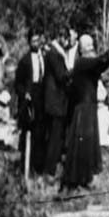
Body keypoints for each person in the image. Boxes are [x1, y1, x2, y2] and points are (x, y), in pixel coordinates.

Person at [63, 32, 109, 190]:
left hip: (88, 107)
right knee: (82, 146)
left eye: (91, 44)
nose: (92, 47)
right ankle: (75, 181)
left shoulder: (85, 63)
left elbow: (101, 64)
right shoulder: (82, 62)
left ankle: (83, 180)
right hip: (84, 109)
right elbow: (101, 60)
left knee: (86, 146)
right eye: (88, 45)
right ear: (82, 48)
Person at [15, 30, 45, 174]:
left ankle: (38, 166)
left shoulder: (44, 56)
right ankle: (25, 167)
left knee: (40, 133)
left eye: (38, 40)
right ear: (29, 42)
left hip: (42, 97)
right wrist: (24, 94)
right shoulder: (24, 61)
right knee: (28, 133)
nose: (36, 44)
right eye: (33, 41)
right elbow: (18, 83)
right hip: (29, 98)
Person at [43, 28, 71, 179]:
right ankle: (50, 170)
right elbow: (61, 76)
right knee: (55, 136)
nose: (68, 42)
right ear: (61, 37)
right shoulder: (55, 54)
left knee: (55, 136)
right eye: (67, 39)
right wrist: (74, 72)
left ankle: (51, 167)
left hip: (55, 102)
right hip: (56, 102)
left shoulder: (55, 53)